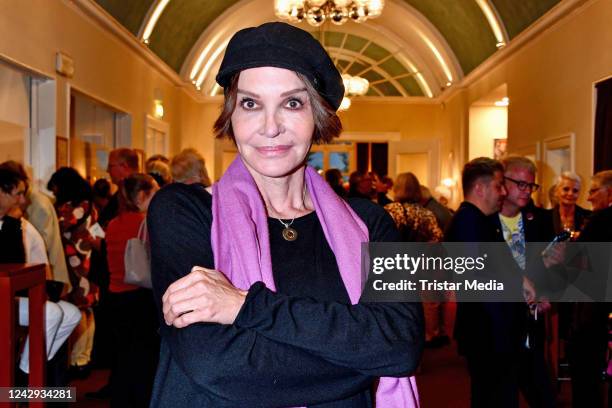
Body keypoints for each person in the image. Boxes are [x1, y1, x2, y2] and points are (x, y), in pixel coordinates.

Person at [148, 22, 423, 407]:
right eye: (250, 103)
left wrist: (245, 307)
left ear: (318, 115)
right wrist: (362, 353)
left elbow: (401, 345)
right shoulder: (184, 211)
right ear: (231, 114)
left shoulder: (372, 223)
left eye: (293, 103)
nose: (271, 127)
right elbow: (215, 362)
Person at [445, 157, 533, 408]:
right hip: (489, 332)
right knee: (493, 398)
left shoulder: (482, 222)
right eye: (498, 186)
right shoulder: (468, 223)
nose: (504, 192)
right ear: (480, 189)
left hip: (494, 331)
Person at [0, 167, 81, 377]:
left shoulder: (15, 223)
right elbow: (11, 265)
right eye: (17, 194)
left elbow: (21, 265)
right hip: (5, 295)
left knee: (72, 314)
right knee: (52, 314)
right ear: (2, 192)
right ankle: (23, 377)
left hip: (11, 293)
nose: (23, 201)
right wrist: (12, 222)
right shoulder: (11, 223)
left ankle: (26, 372)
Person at [490, 156, 556, 407]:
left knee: (542, 394)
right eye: (521, 184)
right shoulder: (485, 219)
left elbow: (545, 266)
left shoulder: (538, 219)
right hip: (495, 325)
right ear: (502, 182)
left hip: (530, 323)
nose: (527, 191)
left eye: (531, 186)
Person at [105, 173, 160, 406]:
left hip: (114, 296)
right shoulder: (146, 223)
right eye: (155, 192)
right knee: (143, 361)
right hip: (140, 297)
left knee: (122, 358)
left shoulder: (113, 223)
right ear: (141, 195)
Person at [47, 167, 100, 376]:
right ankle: (82, 357)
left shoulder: (77, 206)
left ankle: (80, 358)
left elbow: (61, 227)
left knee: (79, 308)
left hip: (76, 264)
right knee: (86, 308)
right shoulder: (89, 203)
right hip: (84, 262)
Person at [567, 169, 612, 408]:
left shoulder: (602, 220)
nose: (589, 197)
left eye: (594, 191)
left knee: (587, 377)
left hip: (594, 315)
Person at [384, 172, 445, 347]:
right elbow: (437, 240)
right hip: (422, 264)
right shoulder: (426, 213)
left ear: (396, 188)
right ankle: (426, 337)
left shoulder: (389, 211)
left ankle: (402, 339)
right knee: (425, 303)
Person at [551, 171, 591, 237]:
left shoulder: (588, 217)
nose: (570, 193)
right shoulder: (544, 217)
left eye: (575, 191)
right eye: (566, 189)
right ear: (556, 191)